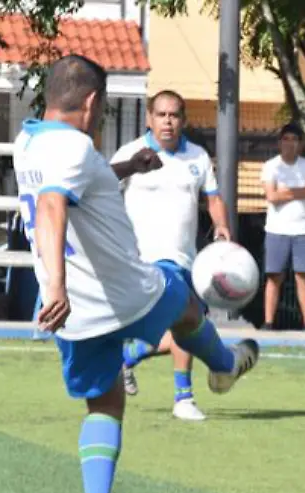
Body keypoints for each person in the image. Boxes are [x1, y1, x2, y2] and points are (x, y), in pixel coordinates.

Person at [12, 55, 259, 493]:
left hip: (74, 315)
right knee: (188, 304)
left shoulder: (28, 142)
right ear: (93, 103)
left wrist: (127, 167)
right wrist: (55, 282)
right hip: (124, 289)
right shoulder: (76, 144)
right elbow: (57, 203)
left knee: (104, 408)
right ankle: (225, 365)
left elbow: (76, 185)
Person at [111, 89, 232, 422]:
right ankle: (172, 386)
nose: (167, 121)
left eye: (174, 115)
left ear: (184, 120)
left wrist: (221, 225)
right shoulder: (131, 153)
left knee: (185, 323)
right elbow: (103, 191)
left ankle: (176, 393)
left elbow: (214, 198)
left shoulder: (198, 157)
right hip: (138, 260)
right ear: (149, 117)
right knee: (183, 323)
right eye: (161, 114)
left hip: (183, 260)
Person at [260, 123, 305, 330]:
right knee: (274, 276)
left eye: (294, 139)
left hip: (302, 230)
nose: (290, 143)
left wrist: (286, 191)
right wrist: (297, 191)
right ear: (279, 143)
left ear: (301, 144)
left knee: (304, 276)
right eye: (286, 139)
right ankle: (268, 322)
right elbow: (272, 196)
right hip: (276, 230)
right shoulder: (270, 166)